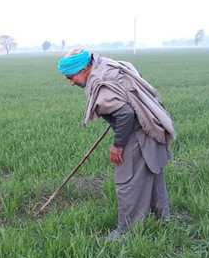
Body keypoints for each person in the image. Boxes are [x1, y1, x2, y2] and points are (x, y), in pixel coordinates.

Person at [58, 49, 177, 239]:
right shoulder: (107, 65)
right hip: (152, 126)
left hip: (138, 134)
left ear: (84, 69)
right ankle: (163, 220)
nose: (72, 83)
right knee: (153, 175)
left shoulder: (99, 82)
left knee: (127, 181)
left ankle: (126, 232)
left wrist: (118, 145)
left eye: (71, 77)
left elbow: (126, 114)